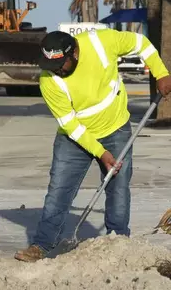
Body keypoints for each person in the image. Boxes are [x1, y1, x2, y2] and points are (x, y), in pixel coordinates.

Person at [14, 29, 171, 262]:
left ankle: (118, 242)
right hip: (74, 138)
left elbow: (141, 43)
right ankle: (43, 245)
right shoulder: (48, 80)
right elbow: (71, 125)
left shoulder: (101, 42)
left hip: (116, 128)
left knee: (118, 189)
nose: (56, 70)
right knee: (59, 190)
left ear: (74, 52)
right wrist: (100, 152)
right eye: (50, 65)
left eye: (60, 64)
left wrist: (161, 72)